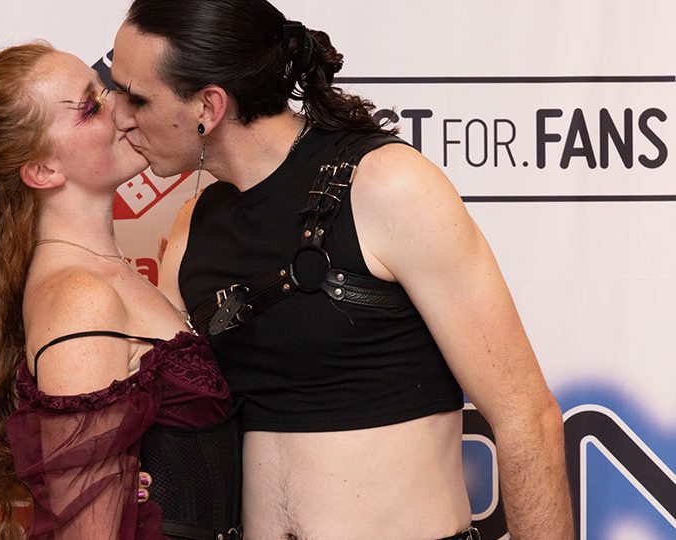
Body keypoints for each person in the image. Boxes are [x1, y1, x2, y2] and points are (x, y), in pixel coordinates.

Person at [110, 1, 573, 539]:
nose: (119, 116)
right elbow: (160, 415)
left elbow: (526, 417)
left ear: (208, 106)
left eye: (136, 98)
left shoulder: (386, 184)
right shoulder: (192, 226)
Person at [0, 42, 241, 539]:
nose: (122, 110)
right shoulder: (79, 297)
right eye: (91, 107)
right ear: (43, 170)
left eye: (105, 91)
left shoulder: (104, 276)